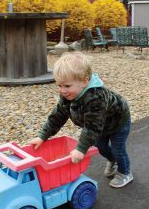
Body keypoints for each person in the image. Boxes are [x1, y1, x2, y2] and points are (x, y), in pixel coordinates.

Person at [29, 52, 133, 188]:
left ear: (85, 81)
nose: (63, 90)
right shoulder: (68, 95)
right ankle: (113, 159)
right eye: (59, 86)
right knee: (100, 146)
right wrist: (42, 136)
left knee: (117, 148)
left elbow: (92, 126)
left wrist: (81, 149)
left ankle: (125, 172)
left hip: (118, 121)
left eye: (67, 86)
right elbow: (58, 115)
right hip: (101, 125)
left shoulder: (95, 98)